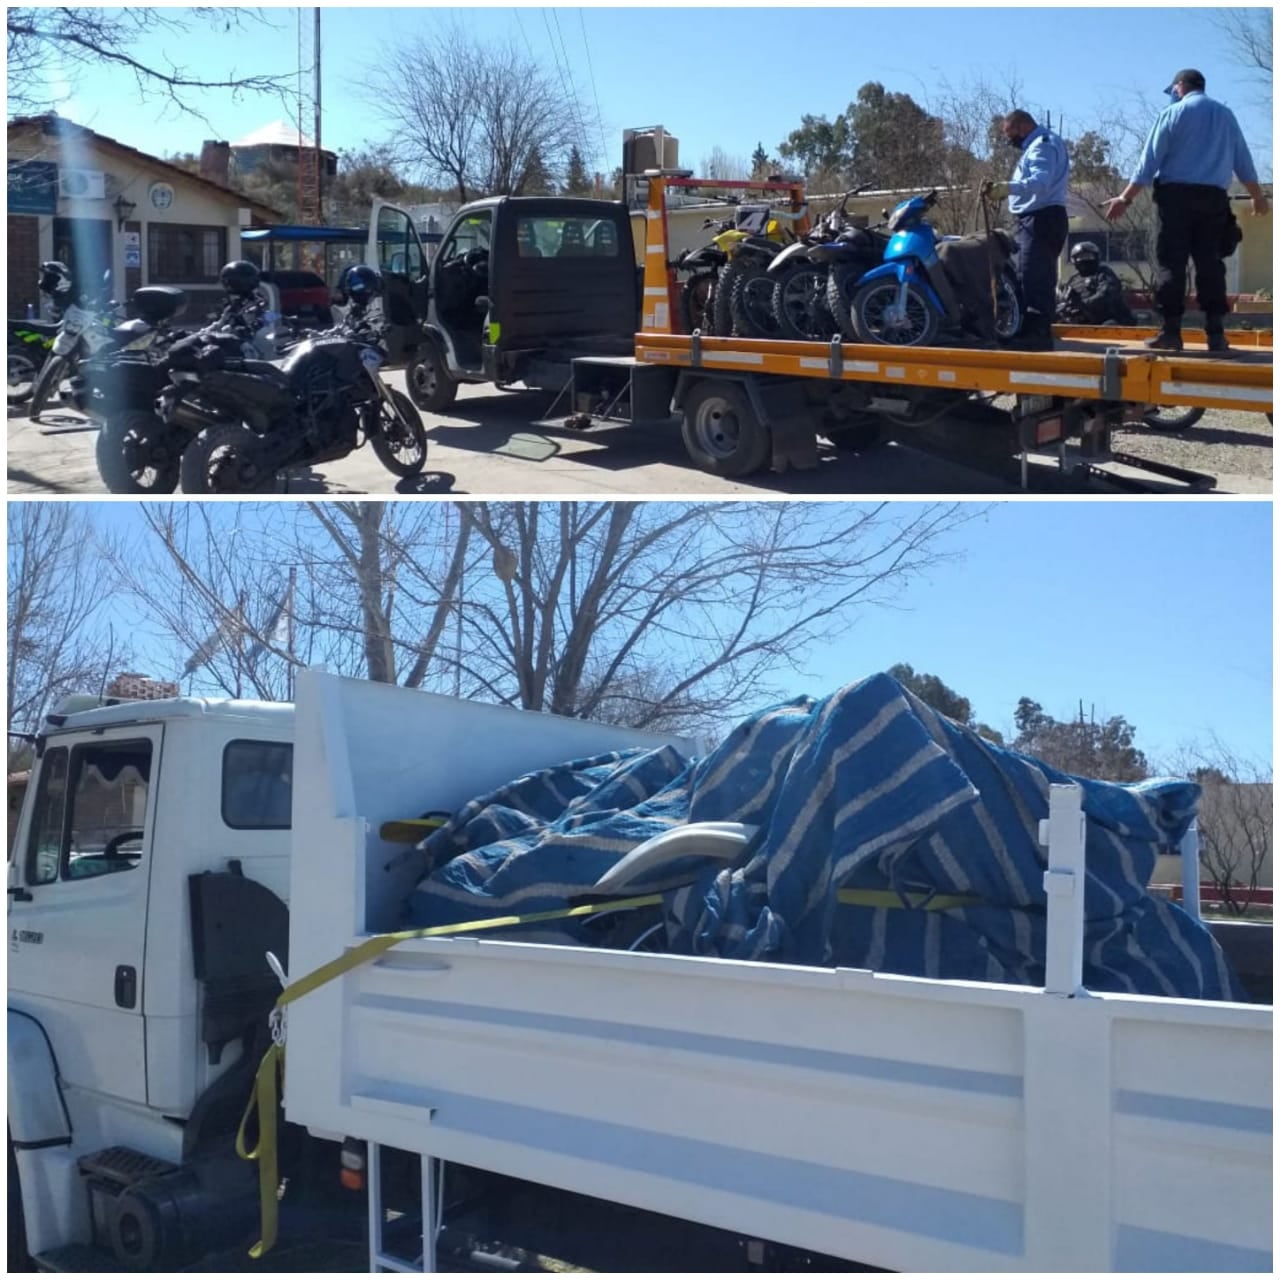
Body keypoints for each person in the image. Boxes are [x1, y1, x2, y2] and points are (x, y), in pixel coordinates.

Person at [1104, 68, 1269, 354]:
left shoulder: (1172, 114)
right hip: (1214, 199)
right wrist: (1257, 197)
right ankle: (1216, 335)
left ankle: (1171, 333)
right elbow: (1243, 160)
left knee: (1171, 264)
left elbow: (1148, 164)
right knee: (1211, 263)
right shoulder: (1225, 115)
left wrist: (1125, 198)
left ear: (1180, 87)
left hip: (1176, 199)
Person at [984, 109, 1071, 351]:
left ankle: (1038, 336)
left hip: (1041, 217)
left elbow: (1040, 183)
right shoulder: (1041, 144)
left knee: (1033, 275)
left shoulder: (1042, 146)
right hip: (1041, 217)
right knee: (1034, 273)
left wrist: (1006, 188)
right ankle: (1036, 330)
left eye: (1009, 133)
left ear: (1022, 126)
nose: (1008, 139)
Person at [1056, 241, 1137, 326]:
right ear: (1074, 260)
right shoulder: (1073, 280)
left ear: (1096, 257)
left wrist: (1082, 304)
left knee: (1109, 325)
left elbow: (1106, 294)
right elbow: (1065, 302)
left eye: (1088, 256)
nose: (1084, 260)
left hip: (1111, 321)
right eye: (1080, 257)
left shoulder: (1104, 273)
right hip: (1085, 323)